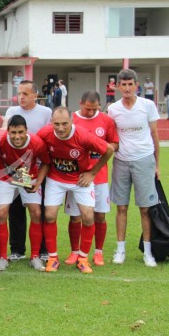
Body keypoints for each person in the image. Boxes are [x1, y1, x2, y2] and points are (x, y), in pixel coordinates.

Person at [37, 107, 114, 273]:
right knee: (49, 216)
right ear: (51, 123)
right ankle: (52, 258)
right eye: (56, 124)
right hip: (56, 179)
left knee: (87, 217)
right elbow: (34, 147)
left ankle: (83, 259)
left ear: (72, 121)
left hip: (80, 180)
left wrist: (92, 173)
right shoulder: (45, 133)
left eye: (65, 123)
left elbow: (109, 149)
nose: (61, 128)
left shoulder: (83, 135)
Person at [107, 69, 160, 268]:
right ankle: (120, 250)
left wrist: (157, 165)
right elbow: (111, 136)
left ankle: (148, 252)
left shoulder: (148, 105)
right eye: (124, 84)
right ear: (118, 86)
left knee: (146, 209)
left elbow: (155, 136)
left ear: (136, 86)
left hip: (144, 159)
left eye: (131, 84)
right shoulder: (113, 109)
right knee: (121, 207)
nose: (127, 88)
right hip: (121, 161)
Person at [0, 115, 50, 272]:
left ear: (26, 131)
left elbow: (47, 162)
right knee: (2, 213)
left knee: (36, 212)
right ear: (7, 131)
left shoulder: (36, 143)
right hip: (5, 177)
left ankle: (35, 257)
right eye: (13, 132)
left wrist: (39, 182)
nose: (17, 136)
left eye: (20, 132)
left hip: (28, 178)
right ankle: (2, 257)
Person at [64, 92, 119, 267]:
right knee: (75, 216)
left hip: (99, 175)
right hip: (76, 176)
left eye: (94, 109)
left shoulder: (106, 121)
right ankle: (74, 252)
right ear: (80, 103)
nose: (90, 112)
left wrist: (102, 146)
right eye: (87, 109)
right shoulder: (71, 119)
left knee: (99, 215)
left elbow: (114, 144)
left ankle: (98, 252)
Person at [3, 81, 52, 261]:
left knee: (40, 210)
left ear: (34, 95)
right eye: (19, 93)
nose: (21, 97)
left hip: (39, 168)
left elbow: (48, 138)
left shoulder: (46, 113)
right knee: (16, 209)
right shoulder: (11, 112)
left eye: (25, 93)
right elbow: (4, 134)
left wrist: (39, 176)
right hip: (17, 169)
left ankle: (42, 249)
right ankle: (17, 249)